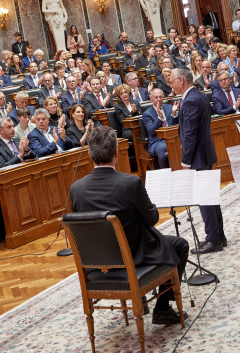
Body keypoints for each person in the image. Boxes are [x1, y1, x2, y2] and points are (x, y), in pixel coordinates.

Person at [70, 126, 189, 325]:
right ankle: (162, 309)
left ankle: (141, 298)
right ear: (116, 153)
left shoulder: (76, 189)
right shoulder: (131, 183)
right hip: (133, 256)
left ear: (90, 155)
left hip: (96, 262)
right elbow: (151, 219)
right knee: (180, 245)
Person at [170, 68, 223, 254]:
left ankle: (213, 240)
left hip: (198, 157)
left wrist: (186, 161)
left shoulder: (191, 100)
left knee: (205, 199)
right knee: (211, 197)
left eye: (172, 80)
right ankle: (219, 237)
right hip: (204, 154)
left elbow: (190, 134)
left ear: (181, 80)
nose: (170, 84)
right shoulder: (197, 96)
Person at [142, 89, 178, 169]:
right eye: (156, 97)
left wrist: (174, 114)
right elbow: (151, 131)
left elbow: (174, 125)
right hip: (157, 141)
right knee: (164, 149)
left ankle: (179, 169)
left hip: (172, 137)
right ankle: (165, 174)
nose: (159, 99)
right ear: (151, 98)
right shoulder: (147, 114)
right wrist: (160, 117)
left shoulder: (169, 108)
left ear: (163, 97)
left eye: (160, 97)